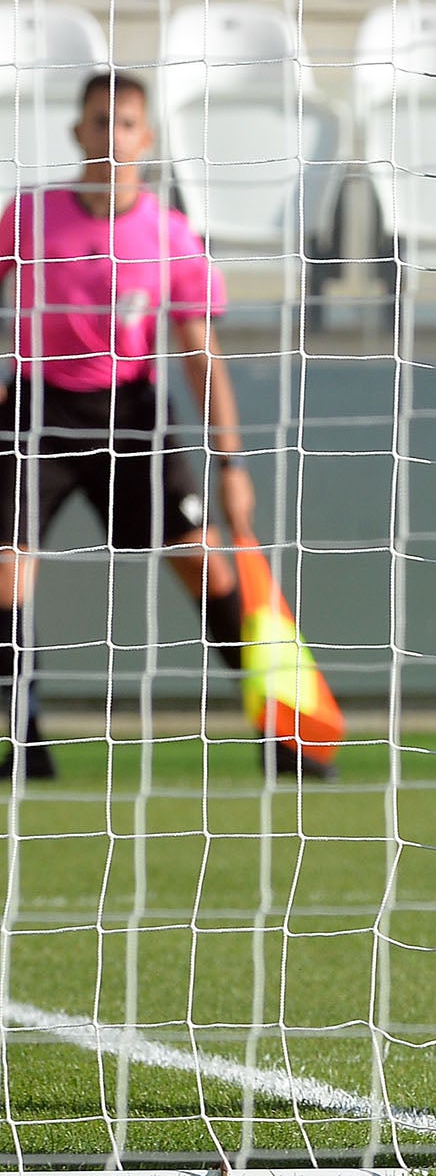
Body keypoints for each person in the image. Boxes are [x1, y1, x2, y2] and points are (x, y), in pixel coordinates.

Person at [0, 69, 276, 780]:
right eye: (100, 122)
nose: (112, 136)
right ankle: (27, 748)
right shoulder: (28, 216)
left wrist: (232, 466)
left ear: (146, 137)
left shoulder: (171, 234)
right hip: (37, 410)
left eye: (126, 124)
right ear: (77, 132)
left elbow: (200, 358)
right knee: (6, 577)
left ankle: (280, 731)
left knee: (207, 566)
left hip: (134, 417)